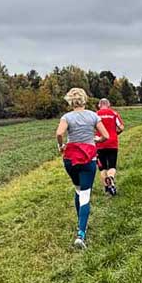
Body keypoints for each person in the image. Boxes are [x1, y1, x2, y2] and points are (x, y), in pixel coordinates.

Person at [56, 87, 111, 249]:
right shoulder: (93, 116)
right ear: (84, 100)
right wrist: (97, 139)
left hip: (70, 158)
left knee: (78, 190)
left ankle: (80, 221)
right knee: (85, 194)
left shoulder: (66, 117)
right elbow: (106, 136)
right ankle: (81, 233)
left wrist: (61, 146)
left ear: (70, 101)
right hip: (88, 158)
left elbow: (59, 134)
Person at [96, 98, 125, 195]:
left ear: (99, 105)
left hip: (100, 143)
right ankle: (111, 178)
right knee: (112, 166)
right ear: (109, 105)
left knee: (102, 167)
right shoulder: (114, 113)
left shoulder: (95, 114)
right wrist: (116, 133)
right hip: (112, 142)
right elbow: (121, 127)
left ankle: (107, 188)